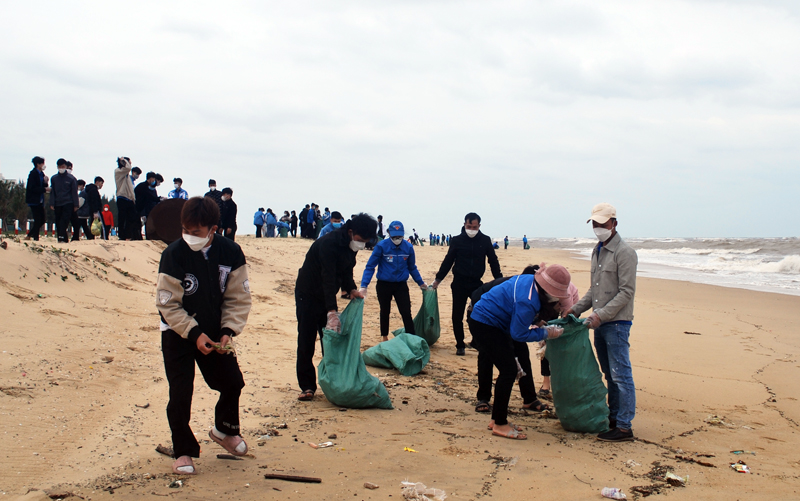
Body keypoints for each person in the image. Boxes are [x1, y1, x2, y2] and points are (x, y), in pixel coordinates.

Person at [155, 196, 252, 475]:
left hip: (215, 331)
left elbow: (238, 297)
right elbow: (167, 304)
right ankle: (183, 451)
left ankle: (225, 430)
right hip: (177, 332)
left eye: (195, 232)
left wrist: (227, 332)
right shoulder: (173, 254)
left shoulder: (231, 252)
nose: (189, 236)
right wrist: (193, 332)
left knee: (233, 382)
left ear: (213, 229)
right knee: (181, 393)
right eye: (185, 230)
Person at [469, 265, 571, 439]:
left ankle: (496, 420)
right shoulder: (528, 300)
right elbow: (519, 334)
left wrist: (538, 322)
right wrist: (547, 332)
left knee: (509, 368)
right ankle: (500, 424)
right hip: (484, 323)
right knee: (509, 371)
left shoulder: (530, 281)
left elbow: (517, 315)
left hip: (497, 323)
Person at [565, 203, 638, 442]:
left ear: (614, 223)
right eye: (595, 224)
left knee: (621, 374)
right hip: (600, 323)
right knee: (609, 373)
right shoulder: (597, 251)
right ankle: (614, 418)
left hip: (616, 324)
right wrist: (574, 309)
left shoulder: (624, 253)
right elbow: (594, 292)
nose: (598, 228)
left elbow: (626, 292)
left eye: (602, 224)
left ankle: (625, 427)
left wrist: (600, 315)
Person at [294, 213, 376, 401]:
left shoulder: (350, 246)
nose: (362, 244)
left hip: (327, 294)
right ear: (350, 232)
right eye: (361, 240)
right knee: (306, 338)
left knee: (330, 339)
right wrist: (332, 311)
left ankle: (333, 381)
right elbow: (328, 277)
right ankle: (307, 386)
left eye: (366, 241)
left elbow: (346, 270)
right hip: (307, 293)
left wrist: (352, 289)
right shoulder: (328, 244)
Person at [431, 212, 502, 356]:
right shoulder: (457, 240)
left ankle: (476, 341)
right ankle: (460, 344)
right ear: (464, 224)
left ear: (479, 226)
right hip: (459, 283)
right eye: (469, 226)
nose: (472, 229)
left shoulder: (485, 240)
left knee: (479, 313)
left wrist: (500, 281)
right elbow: (448, 260)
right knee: (456, 315)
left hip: (476, 284)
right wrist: (438, 279)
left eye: (474, 227)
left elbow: (493, 261)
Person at [359, 220, 426, 342]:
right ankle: (384, 337)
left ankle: (412, 339)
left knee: (406, 312)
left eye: (400, 236)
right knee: (385, 311)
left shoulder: (408, 247)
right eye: (394, 236)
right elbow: (370, 267)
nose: (397, 239)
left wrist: (421, 283)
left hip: (401, 285)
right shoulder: (381, 246)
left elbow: (412, 267)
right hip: (384, 285)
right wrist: (364, 285)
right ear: (389, 233)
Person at [49, 159, 79, 243]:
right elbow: (53, 192)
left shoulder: (71, 178)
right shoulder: (54, 178)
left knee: (64, 220)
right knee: (58, 221)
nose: (61, 168)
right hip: (57, 203)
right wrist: (51, 203)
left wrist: (76, 205)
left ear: (65, 167)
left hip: (68, 202)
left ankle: (61, 237)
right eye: (59, 167)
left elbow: (74, 192)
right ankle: (63, 238)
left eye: (62, 167)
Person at [25, 156, 50, 241]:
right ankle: (35, 237)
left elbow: (43, 185)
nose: (44, 165)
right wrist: (44, 189)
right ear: (38, 164)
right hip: (34, 200)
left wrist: (46, 182)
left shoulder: (42, 174)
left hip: (40, 200)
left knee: (42, 219)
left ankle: (30, 235)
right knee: (38, 219)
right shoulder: (33, 174)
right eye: (42, 163)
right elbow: (32, 187)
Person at [114, 157, 139, 240]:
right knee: (122, 218)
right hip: (122, 197)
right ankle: (121, 235)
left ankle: (128, 235)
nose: (130, 164)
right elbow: (128, 168)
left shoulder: (127, 176)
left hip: (129, 199)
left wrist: (133, 199)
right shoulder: (118, 171)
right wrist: (123, 160)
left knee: (131, 218)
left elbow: (131, 189)